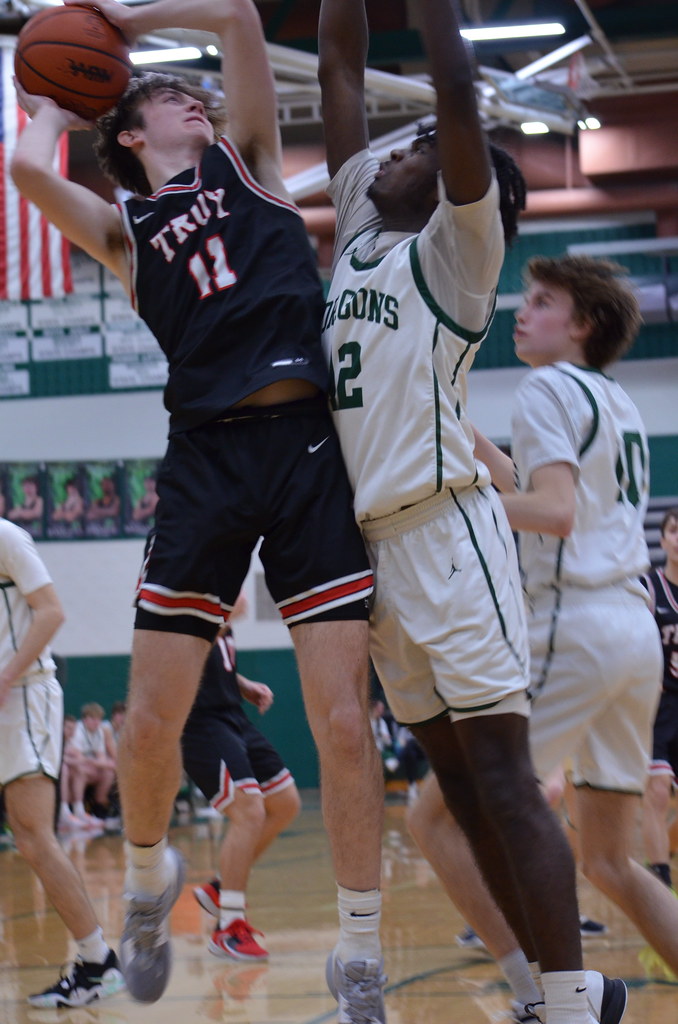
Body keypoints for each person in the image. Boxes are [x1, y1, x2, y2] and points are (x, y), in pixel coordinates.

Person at [12, 0, 383, 1012]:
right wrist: (42, 90)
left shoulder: (248, 158)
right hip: (207, 458)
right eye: (181, 100)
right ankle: (144, 890)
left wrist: (123, 15)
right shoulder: (123, 230)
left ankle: (359, 949)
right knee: (145, 722)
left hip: (308, 443)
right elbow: (25, 172)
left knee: (344, 724)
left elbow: (237, 14)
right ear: (133, 132)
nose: (202, 107)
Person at [318, 3, 627, 1023]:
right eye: (397, 146)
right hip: (376, 554)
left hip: (450, 533)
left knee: (501, 775)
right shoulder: (363, 233)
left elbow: (452, 95)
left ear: (475, 193)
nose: (402, 148)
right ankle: (547, 987)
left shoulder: (458, 255)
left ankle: (575, 1000)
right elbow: (339, 66)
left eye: (429, 150)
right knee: (456, 780)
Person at [408, 254, 678, 1019]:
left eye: (542, 301)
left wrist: (451, 508)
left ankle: (538, 994)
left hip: (574, 622)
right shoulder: (611, 397)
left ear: (583, 324)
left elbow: (552, 512)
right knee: (611, 860)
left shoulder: (545, 386)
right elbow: (537, 487)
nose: (521, 312)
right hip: (634, 631)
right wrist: (461, 437)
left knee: (434, 816)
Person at [0, 517, 124, 1007]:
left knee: (33, 836)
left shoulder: (6, 536)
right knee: (29, 838)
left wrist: (6, 677)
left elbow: (52, 612)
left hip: (24, 694)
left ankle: (97, 963)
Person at [185, 595, 301, 961]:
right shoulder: (191, 582)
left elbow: (212, 660)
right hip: (201, 723)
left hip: (233, 715)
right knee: (249, 811)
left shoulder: (221, 594)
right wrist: (223, 609)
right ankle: (228, 929)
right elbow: (188, 641)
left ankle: (223, 888)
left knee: (284, 803)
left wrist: (241, 684)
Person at [642, 505, 678, 889]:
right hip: (660, 702)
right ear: (664, 538)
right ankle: (661, 883)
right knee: (656, 792)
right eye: (674, 530)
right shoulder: (650, 587)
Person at [71, 701, 118, 821]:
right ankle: (78, 809)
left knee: (109, 772)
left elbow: (101, 757)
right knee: (81, 770)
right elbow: (78, 758)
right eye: (93, 718)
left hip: (90, 767)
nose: (96, 722)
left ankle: (99, 804)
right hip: (74, 767)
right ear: (85, 719)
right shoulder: (78, 729)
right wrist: (99, 763)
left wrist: (100, 763)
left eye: (98, 719)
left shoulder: (99, 732)